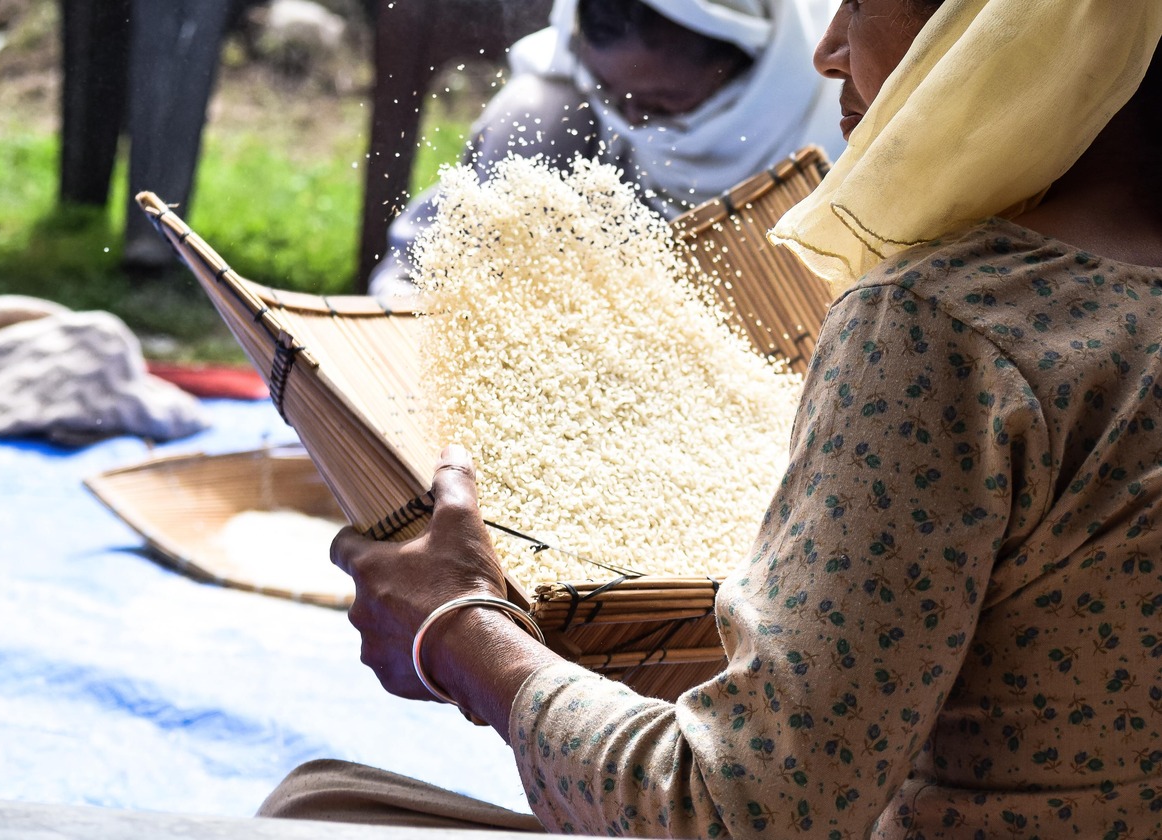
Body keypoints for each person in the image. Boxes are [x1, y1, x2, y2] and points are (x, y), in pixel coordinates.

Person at [263, 0, 1162, 836]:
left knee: (319, 803)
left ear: (1013, 25)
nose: (829, 48)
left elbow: (740, 813)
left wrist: (456, 631)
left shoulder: (945, 326)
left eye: (863, 0)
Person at [366, 0, 845, 298]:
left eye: (661, 103)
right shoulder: (553, 115)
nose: (630, 119)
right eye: (610, 92)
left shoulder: (836, 129)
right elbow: (416, 271)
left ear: (751, 74)